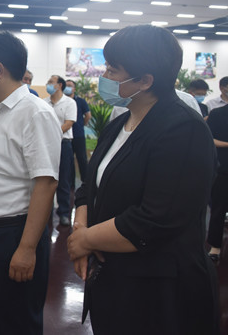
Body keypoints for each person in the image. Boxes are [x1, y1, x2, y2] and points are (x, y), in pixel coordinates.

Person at [67, 25, 219, 335]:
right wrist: (81, 230)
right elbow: (89, 186)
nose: (104, 76)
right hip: (115, 280)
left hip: (159, 292)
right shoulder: (120, 123)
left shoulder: (183, 129)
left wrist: (86, 240)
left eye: (113, 70)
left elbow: (156, 218)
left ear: (145, 81)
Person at [0, 32, 61, 334]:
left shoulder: (35, 113)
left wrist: (27, 248)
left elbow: (45, 184)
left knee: (16, 322)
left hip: (13, 234)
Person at [44, 75, 77, 226]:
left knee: (63, 180)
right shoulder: (44, 102)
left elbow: (68, 123)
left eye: (51, 82)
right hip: (46, 144)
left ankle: (63, 213)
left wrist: (52, 134)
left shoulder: (70, 103)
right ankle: (46, 211)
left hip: (63, 144)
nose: (48, 84)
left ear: (59, 85)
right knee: (46, 178)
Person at [206, 104, 228, 263]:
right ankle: (215, 247)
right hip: (223, 169)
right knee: (218, 209)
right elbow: (209, 138)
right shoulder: (217, 114)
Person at [65, 79, 91, 188]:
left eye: (70, 86)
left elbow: (88, 115)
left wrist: (81, 125)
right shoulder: (62, 101)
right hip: (67, 136)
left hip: (78, 135)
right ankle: (71, 185)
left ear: (74, 89)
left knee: (82, 159)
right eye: (66, 85)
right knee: (69, 161)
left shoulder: (80, 101)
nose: (67, 88)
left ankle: (86, 182)